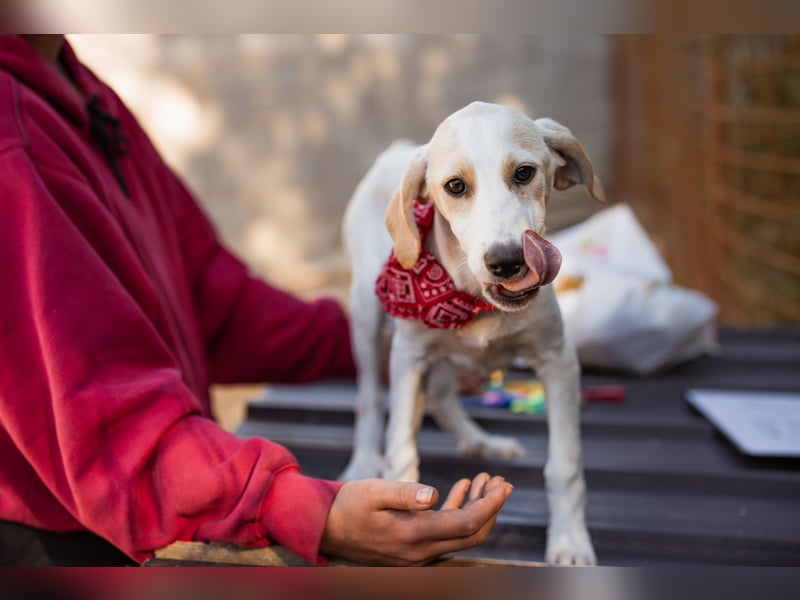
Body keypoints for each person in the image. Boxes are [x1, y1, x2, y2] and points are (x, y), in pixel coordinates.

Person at [0, 34, 513, 566]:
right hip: (57, 545)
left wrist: (377, 347)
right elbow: (111, 432)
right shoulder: (12, 144)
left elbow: (213, 300)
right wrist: (308, 510)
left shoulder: (76, 85)